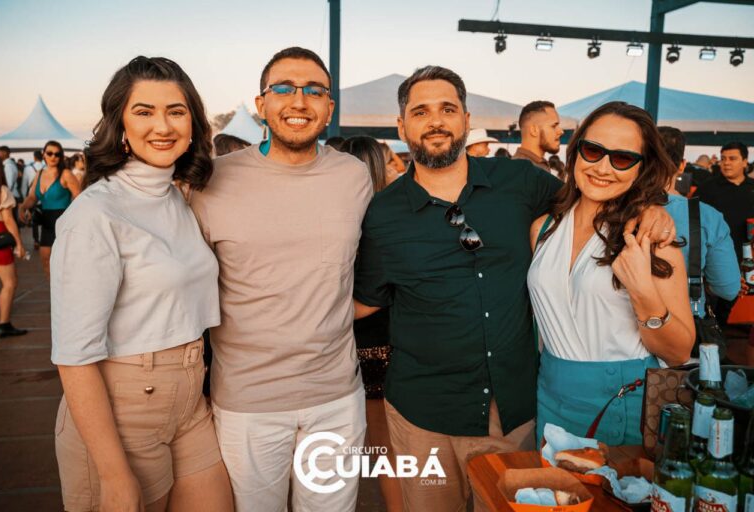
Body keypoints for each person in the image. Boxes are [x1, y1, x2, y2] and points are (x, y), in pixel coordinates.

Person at [353, 66, 675, 512]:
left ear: (466, 120)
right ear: (401, 126)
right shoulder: (382, 213)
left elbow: (595, 194)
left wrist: (653, 206)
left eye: (448, 109)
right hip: (423, 416)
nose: (436, 121)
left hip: (513, 415)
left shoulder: (521, 183)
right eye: (420, 111)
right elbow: (365, 300)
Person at [190, 47, 372, 512]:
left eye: (315, 91)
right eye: (284, 88)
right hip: (247, 403)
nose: (299, 101)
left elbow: (366, 267)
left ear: (329, 107)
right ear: (261, 104)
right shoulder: (214, 181)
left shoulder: (353, 176)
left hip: (336, 399)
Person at [51, 56, 233, 512]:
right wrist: (113, 475)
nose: (163, 126)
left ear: (192, 123)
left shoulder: (178, 198)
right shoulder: (95, 214)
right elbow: (74, 357)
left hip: (192, 398)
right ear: (120, 125)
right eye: (144, 111)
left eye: (176, 111)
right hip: (123, 407)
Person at [529, 104, 695, 447]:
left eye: (622, 158)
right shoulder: (543, 229)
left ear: (641, 168)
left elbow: (679, 352)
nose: (603, 168)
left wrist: (643, 292)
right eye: (593, 151)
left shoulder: (650, 239)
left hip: (622, 403)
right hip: (550, 398)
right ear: (576, 152)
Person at [339, 135, 404, 512]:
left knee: (374, 448)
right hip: (385, 341)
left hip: (354, 344)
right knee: (387, 448)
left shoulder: (344, 221)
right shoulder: (388, 219)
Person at [659, 126, 740, 318]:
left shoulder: (617, 209)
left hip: (618, 326)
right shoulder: (707, 216)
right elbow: (728, 289)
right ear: (682, 165)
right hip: (686, 319)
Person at [697, 141, 754, 324]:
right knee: (712, 311)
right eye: (723, 159)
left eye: (732, 158)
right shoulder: (707, 188)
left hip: (746, 260)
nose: (726, 163)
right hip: (715, 258)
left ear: (745, 162)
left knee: (733, 307)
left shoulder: (752, 188)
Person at [19, 141, 81, 277]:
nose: (53, 157)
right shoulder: (40, 173)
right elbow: (32, 197)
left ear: (61, 156)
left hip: (64, 223)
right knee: (46, 259)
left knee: (65, 263)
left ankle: (66, 288)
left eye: (57, 154)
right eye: (50, 153)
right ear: (44, 154)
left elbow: (79, 199)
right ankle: (54, 288)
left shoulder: (65, 174)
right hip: (47, 223)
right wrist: (22, 207)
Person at [0, 154, 28, 338]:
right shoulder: (2, 191)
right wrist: (19, 244)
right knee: (10, 283)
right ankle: (4, 323)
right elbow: (9, 220)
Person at [513, 100, 563, 177]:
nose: (561, 131)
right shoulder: (522, 170)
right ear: (534, 130)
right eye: (553, 126)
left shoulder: (534, 165)